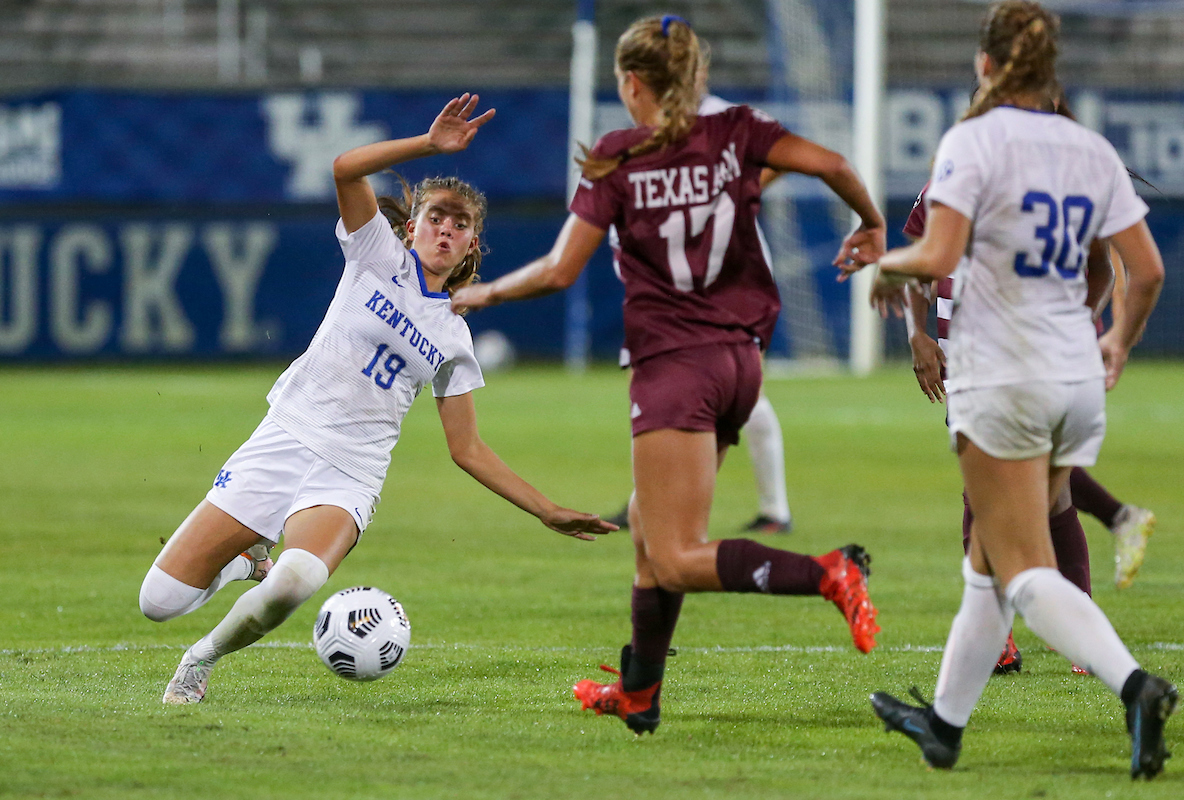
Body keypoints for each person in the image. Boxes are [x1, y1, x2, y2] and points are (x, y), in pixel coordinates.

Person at [452, 15, 884, 735]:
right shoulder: (738, 132)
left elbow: (561, 270)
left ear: (630, 83)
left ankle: (830, 572)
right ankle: (639, 693)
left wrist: (483, 292)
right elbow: (834, 162)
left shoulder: (621, 157)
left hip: (675, 367)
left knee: (678, 557)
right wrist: (869, 222)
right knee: (652, 540)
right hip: (741, 361)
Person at [138, 94, 615, 705]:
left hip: (351, 470)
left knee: (297, 581)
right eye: (436, 216)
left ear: (472, 246)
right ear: (411, 225)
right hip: (287, 435)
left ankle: (199, 661)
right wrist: (427, 144)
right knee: (158, 603)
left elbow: (466, 448)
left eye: (460, 224)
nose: (447, 228)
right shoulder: (374, 255)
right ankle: (243, 560)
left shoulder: (456, 337)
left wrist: (546, 510)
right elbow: (344, 167)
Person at [864, 1, 1173, 779]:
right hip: (1075, 377)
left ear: (987, 65)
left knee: (1024, 567)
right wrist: (1117, 342)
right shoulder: (1091, 149)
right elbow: (1149, 272)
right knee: (986, 563)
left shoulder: (973, 140)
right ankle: (943, 726)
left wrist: (881, 263)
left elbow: (935, 249)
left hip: (1002, 374)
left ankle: (1135, 686)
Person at [903, 176, 1156, 676]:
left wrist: (1082, 324)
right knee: (1031, 493)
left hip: (1021, 355)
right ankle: (1075, 625)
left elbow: (1105, 266)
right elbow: (920, 260)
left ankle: (1010, 645)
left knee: (1000, 493)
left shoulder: (1047, 168)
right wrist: (918, 335)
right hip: (976, 353)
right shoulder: (955, 172)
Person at [604, 88, 793, 536]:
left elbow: (787, 155)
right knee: (668, 390)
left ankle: (770, 511)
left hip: (730, 276)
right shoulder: (647, 128)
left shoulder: (723, 114)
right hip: (678, 280)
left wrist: (731, 195)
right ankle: (649, 504)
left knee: (734, 391)